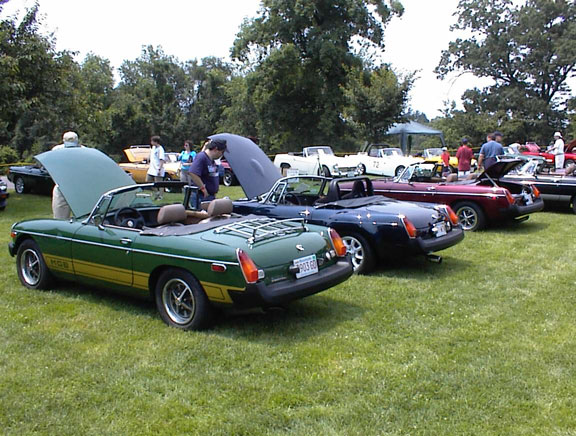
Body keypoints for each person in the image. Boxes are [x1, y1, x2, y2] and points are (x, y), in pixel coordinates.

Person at [52, 131, 83, 219]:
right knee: (59, 219)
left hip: (79, 189)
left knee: (82, 219)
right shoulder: (56, 151)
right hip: (61, 188)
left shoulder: (84, 151)